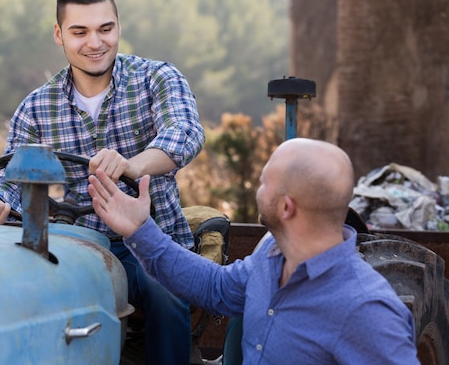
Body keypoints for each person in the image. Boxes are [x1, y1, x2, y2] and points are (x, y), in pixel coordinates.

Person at [0, 0, 205, 364]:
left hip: (150, 238)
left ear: (118, 27)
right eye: (80, 31)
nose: (95, 42)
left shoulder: (157, 78)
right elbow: (13, 182)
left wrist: (132, 165)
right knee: (24, 292)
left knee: (164, 294)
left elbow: (185, 133)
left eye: (105, 29)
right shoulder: (36, 108)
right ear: (59, 35)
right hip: (76, 244)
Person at [88, 138, 420, 365]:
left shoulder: (368, 310)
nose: (258, 189)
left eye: (264, 183)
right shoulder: (273, 256)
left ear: (287, 207)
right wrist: (140, 229)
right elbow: (215, 287)